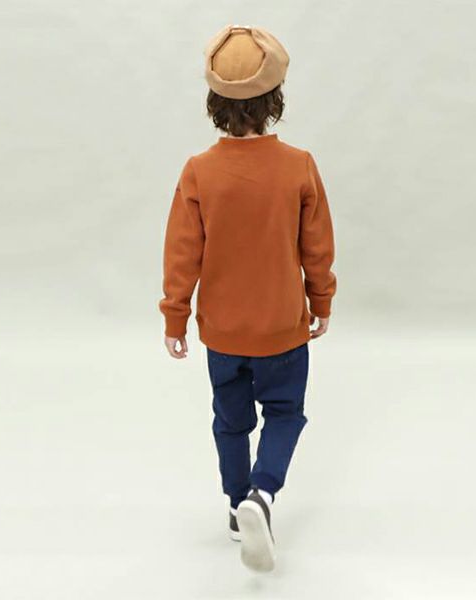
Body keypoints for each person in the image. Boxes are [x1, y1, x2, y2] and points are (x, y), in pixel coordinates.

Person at [159, 24, 337, 572]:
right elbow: (317, 247)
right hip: (282, 326)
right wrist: (322, 302)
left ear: (215, 102)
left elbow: (181, 253)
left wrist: (175, 317)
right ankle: (263, 493)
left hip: (223, 332)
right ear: (274, 98)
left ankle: (238, 507)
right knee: (284, 414)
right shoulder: (299, 165)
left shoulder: (199, 171)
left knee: (231, 421)